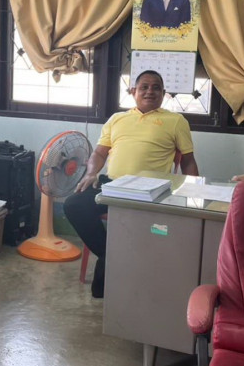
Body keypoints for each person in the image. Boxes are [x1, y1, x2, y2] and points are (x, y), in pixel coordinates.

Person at [63, 70, 199, 298]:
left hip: (150, 192)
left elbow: (188, 160)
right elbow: (99, 153)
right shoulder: (117, 119)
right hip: (112, 185)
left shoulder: (176, 121)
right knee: (73, 204)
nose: (150, 91)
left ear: (163, 93)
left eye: (156, 87)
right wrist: (91, 173)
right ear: (133, 91)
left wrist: (193, 191)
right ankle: (111, 254)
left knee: (159, 231)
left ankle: (110, 264)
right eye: (144, 87)